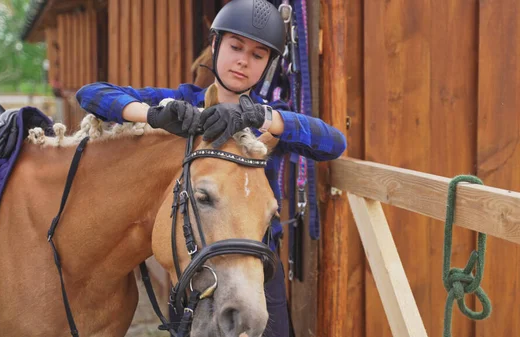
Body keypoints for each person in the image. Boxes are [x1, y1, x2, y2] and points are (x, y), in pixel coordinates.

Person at [76, 0, 346, 336]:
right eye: (235, 47)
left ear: (268, 65)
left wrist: (259, 116)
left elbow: (333, 142)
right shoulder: (184, 102)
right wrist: (154, 115)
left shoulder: (270, 119)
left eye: (258, 55)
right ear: (215, 45)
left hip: (254, 264)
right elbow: (91, 94)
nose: (243, 60)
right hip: (197, 261)